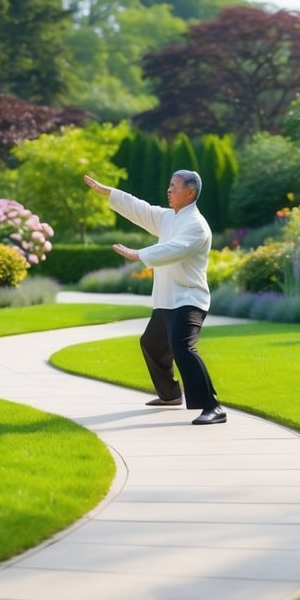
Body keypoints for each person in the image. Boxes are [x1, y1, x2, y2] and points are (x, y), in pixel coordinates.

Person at [83, 170, 226, 425]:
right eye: (169, 185)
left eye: (174, 186)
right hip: (167, 300)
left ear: (190, 193)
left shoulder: (196, 225)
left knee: (183, 348)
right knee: (151, 343)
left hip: (188, 299)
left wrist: (139, 254)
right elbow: (141, 208)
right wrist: (109, 192)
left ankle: (212, 406)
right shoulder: (169, 217)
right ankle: (170, 395)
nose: (168, 190)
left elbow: (175, 250)